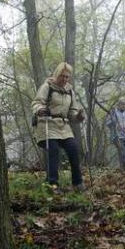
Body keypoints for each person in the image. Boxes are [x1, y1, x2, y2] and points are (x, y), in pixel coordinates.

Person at [32, 62, 85, 191]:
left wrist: (78, 116)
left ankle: (77, 183)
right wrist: (39, 109)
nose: (65, 79)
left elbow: (72, 112)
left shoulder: (70, 91)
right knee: (54, 149)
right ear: (57, 74)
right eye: (62, 76)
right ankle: (52, 183)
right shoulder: (47, 87)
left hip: (64, 126)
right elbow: (36, 102)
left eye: (67, 77)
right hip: (47, 124)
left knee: (73, 148)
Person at [106, 97, 125, 169]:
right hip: (118, 137)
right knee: (122, 153)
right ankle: (123, 169)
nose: (123, 105)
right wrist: (115, 124)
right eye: (122, 104)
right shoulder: (113, 113)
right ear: (118, 104)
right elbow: (108, 123)